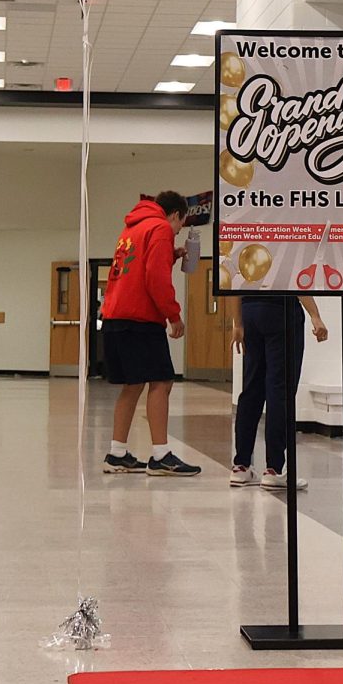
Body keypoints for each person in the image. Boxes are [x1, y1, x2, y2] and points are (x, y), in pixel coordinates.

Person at [101, 191, 201, 477]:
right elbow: (155, 279)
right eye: (181, 224)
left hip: (115, 317)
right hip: (141, 319)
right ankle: (161, 455)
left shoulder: (131, 228)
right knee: (161, 381)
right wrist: (174, 315)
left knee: (132, 385)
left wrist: (169, 254)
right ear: (175, 215)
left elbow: (136, 268)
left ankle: (117, 453)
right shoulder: (160, 228)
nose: (179, 230)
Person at [229, 294, 328, 489]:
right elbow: (297, 279)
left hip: (249, 310)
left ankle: (241, 466)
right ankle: (274, 468)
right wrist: (315, 315)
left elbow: (234, 283)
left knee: (251, 390)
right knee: (279, 389)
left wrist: (237, 322)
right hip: (281, 308)